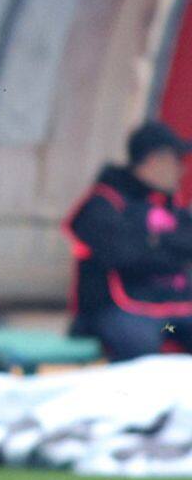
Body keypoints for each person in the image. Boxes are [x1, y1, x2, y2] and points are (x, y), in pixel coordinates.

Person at [66, 121, 192, 359]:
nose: (182, 170)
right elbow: (124, 254)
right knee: (141, 344)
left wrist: (155, 241)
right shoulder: (103, 202)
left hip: (174, 311)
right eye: (178, 161)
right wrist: (167, 246)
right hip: (119, 312)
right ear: (156, 160)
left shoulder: (170, 203)